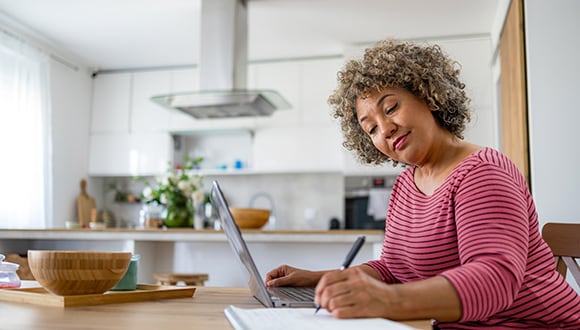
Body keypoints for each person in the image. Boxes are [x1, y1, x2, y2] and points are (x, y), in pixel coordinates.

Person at [265, 39, 580, 329]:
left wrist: (386, 301)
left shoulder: (483, 173)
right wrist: (323, 280)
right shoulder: (406, 184)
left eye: (391, 108)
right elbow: (393, 270)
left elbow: (495, 280)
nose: (385, 129)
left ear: (428, 96)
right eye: (371, 128)